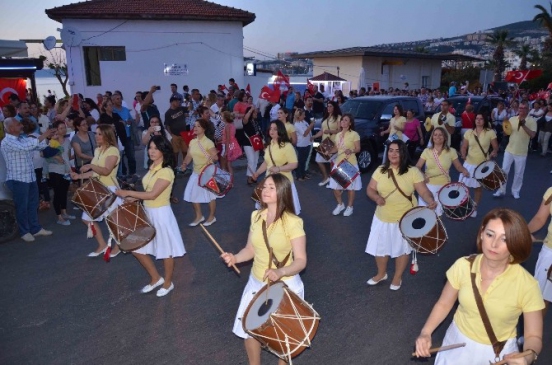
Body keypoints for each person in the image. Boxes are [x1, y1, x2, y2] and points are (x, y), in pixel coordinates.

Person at [414, 208, 544, 365]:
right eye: (490, 234)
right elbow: (444, 304)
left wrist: (528, 356)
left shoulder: (527, 285)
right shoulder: (463, 265)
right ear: (482, 233)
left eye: (505, 239)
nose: (494, 244)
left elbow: (533, 336)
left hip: (499, 352)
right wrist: (426, 333)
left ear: (515, 242)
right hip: (456, 341)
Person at [220, 173, 307, 365]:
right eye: (264, 186)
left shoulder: (293, 222)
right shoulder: (256, 216)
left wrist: (281, 272)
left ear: (282, 192)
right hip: (256, 281)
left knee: (283, 337)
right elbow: (250, 249)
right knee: (249, 330)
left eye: (271, 188)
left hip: (285, 285)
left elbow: (301, 261)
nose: (264, 191)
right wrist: (235, 257)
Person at [115, 136, 185, 297]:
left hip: (161, 214)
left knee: (166, 251)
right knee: (136, 248)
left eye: (156, 148)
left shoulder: (166, 171)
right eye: (150, 148)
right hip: (147, 213)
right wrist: (134, 198)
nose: (151, 151)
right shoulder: (152, 166)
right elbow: (147, 192)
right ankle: (156, 278)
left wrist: (128, 192)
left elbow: (153, 194)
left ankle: (168, 283)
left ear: (163, 151)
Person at [365, 140, 436, 290]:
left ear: (403, 153)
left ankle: (397, 277)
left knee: (402, 249)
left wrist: (430, 199)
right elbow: (370, 189)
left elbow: (423, 191)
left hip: (405, 219)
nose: (393, 154)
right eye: (391, 150)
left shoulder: (413, 172)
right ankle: (381, 273)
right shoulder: (380, 170)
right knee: (380, 248)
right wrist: (376, 197)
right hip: (382, 218)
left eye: (397, 151)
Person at [70, 124, 122, 258]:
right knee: (87, 219)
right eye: (96, 133)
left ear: (107, 135)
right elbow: (95, 172)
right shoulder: (98, 150)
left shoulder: (113, 151)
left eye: (99, 134)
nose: (96, 136)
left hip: (109, 189)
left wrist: (90, 165)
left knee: (114, 221)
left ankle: (118, 245)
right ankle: (102, 244)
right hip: (97, 188)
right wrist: (79, 176)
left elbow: (106, 171)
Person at [1, 118, 54, 242]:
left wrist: (48, 137)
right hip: (18, 179)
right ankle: (24, 231)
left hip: (29, 177)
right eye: (18, 124)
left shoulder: (22, 138)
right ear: (11, 128)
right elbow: (26, 147)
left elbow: (40, 146)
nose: (21, 125)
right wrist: (44, 135)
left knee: (33, 204)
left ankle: (35, 229)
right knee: (22, 206)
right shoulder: (7, 142)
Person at [416, 127, 469, 217]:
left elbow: (458, 166)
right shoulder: (427, 151)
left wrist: (464, 170)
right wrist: (422, 175)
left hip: (444, 187)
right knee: (425, 215)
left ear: (445, 137)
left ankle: (436, 230)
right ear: (432, 137)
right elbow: (417, 167)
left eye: (440, 134)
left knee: (437, 215)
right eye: (435, 135)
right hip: (428, 187)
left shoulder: (451, 151)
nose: (438, 137)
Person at [253, 120, 301, 215]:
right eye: (271, 128)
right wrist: (257, 173)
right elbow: (267, 163)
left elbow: (294, 164)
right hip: (269, 182)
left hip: (283, 183)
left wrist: (278, 169)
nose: (272, 131)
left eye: (275, 129)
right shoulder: (269, 146)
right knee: (270, 211)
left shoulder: (287, 146)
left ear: (280, 130)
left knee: (283, 212)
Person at [493, 101, 537, 199]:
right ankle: (501, 190)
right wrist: (505, 127)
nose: (521, 110)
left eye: (524, 108)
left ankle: (515, 191)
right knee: (504, 171)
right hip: (509, 149)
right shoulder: (512, 119)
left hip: (521, 152)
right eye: (520, 108)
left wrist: (523, 125)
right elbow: (507, 133)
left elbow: (533, 135)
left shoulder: (532, 121)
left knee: (519, 174)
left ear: (528, 109)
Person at [181, 118, 218, 227]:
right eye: (195, 126)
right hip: (196, 173)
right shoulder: (192, 142)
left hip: (207, 173)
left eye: (198, 126)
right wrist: (184, 164)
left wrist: (213, 157)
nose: (195, 128)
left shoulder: (208, 142)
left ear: (204, 129)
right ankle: (199, 216)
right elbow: (189, 155)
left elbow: (215, 157)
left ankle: (212, 217)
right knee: (192, 194)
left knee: (210, 196)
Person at [327, 113, 362, 216]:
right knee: (334, 187)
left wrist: (351, 150)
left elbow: (358, 148)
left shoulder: (354, 134)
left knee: (351, 188)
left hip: (349, 164)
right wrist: (329, 151)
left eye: (346, 120)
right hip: (338, 163)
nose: (343, 121)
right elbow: (337, 148)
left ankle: (350, 207)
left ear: (350, 123)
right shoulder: (338, 135)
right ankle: (340, 204)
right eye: (342, 120)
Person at [527, 187, 552, 317]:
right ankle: (533, 334)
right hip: (550, 251)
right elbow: (539, 218)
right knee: (541, 297)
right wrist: (525, 231)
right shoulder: (551, 192)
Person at [46, 121, 75, 226]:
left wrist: (69, 169)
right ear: (56, 130)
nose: (64, 130)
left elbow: (67, 156)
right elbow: (45, 155)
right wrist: (56, 156)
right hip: (54, 170)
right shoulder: (51, 142)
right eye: (61, 128)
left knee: (64, 192)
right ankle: (59, 216)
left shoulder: (67, 141)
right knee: (57, 193)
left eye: (64, 127)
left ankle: (64, 212)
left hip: (65, 170)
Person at [311, 101, 341, 186]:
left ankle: (331, 180)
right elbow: (322, 131)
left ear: (334, 107)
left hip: (333, 142)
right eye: (328, 106)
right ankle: (327, 178)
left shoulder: (338, 117)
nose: (329, 108)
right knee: (319, 160)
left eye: (331, 106)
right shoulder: (326, 117)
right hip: (325, 142)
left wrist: (330, 131)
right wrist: (314, 136)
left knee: (331, 162)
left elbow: (340, 130)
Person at [164, 95, 189, 165]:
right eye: (177, 101)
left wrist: (188, 101)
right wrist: (170, 135)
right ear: (172, 102)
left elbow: (190, 109)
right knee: (175, 152)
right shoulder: (168, 113)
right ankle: (175, 167)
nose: (178, 102)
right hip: (175, 135)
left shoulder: (181, 108)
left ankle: (184, 166)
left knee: (185, 151)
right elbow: (167, 125)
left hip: (184, 134)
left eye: (179, 101)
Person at [293, 108, 314, 181]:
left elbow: (308, 132)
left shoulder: (304, 121)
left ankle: (303, 174)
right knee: (300, 161)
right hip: (301, 145)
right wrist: (311, 125)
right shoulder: (297, 124)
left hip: (307, 144)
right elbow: (304, 133)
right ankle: (299, 176)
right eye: (303, 115)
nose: (304, 116)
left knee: (304, 161)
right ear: (299, 116)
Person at [242, 106, 261, 185]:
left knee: (256, 160)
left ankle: (253, 176)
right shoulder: (246, 121)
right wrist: (251, 110)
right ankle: (250, 178)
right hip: (248, 143)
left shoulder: (255, 121)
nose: (256, 113)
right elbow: (245, 119)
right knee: (251, 160)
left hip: (256, 143)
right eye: (255, 112)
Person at [220, 110, 242, 176]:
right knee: (228, 163)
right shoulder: (232, 125)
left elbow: (228, 139)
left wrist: (226, 151)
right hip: (232, 144)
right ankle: (229, 178)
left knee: (226, 163)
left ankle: (229, 179)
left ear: (225, 118)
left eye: (222, 117)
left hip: (227, 145)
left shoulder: (227, 126)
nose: (221, 118)